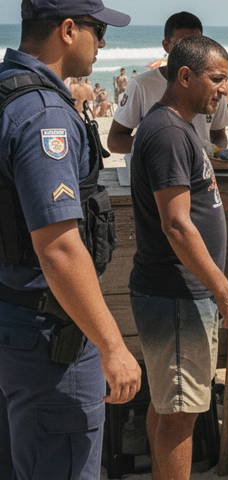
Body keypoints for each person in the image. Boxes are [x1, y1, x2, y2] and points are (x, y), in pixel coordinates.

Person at [0, 1, 142, 478]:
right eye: (97, 31)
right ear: (67, 30)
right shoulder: (44, 115)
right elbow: (59, 247)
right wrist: (113, 347)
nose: (103, 44)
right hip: (50, 337)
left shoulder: (6, 91)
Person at [129, 34, 228, 480]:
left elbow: (186, 206)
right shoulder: (169, 132)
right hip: (178, 297)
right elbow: (176, 226)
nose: (224, 89)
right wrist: (224, 289)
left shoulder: (178, 126)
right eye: (218, 79)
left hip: (175, 296)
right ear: (184, 76)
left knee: (167, 405)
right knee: (180, 415)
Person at [107, 11, 228, 158]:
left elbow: (219, 135)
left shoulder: (213, 89)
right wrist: (162, 145)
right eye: (182, 45)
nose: (190, 52)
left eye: (196, 44)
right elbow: (114, 141)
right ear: (166, 45)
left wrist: (211, 152)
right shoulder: (141, 85)